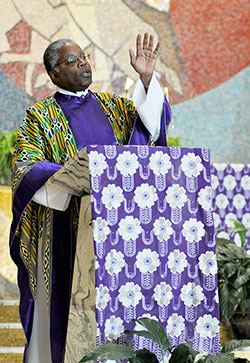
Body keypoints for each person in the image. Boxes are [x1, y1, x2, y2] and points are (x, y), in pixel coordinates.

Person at [9, 33, 171, 363]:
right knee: (64, 321)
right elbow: (25, 166)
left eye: (84, 56)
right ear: (53, 73)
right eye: (72, 60)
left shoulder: (115, 106)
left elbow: (151, 132)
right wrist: (72, 175)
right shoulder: (41, 116)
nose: (83, 62)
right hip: (66, 230)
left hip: (119, 234)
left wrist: (147, 79)